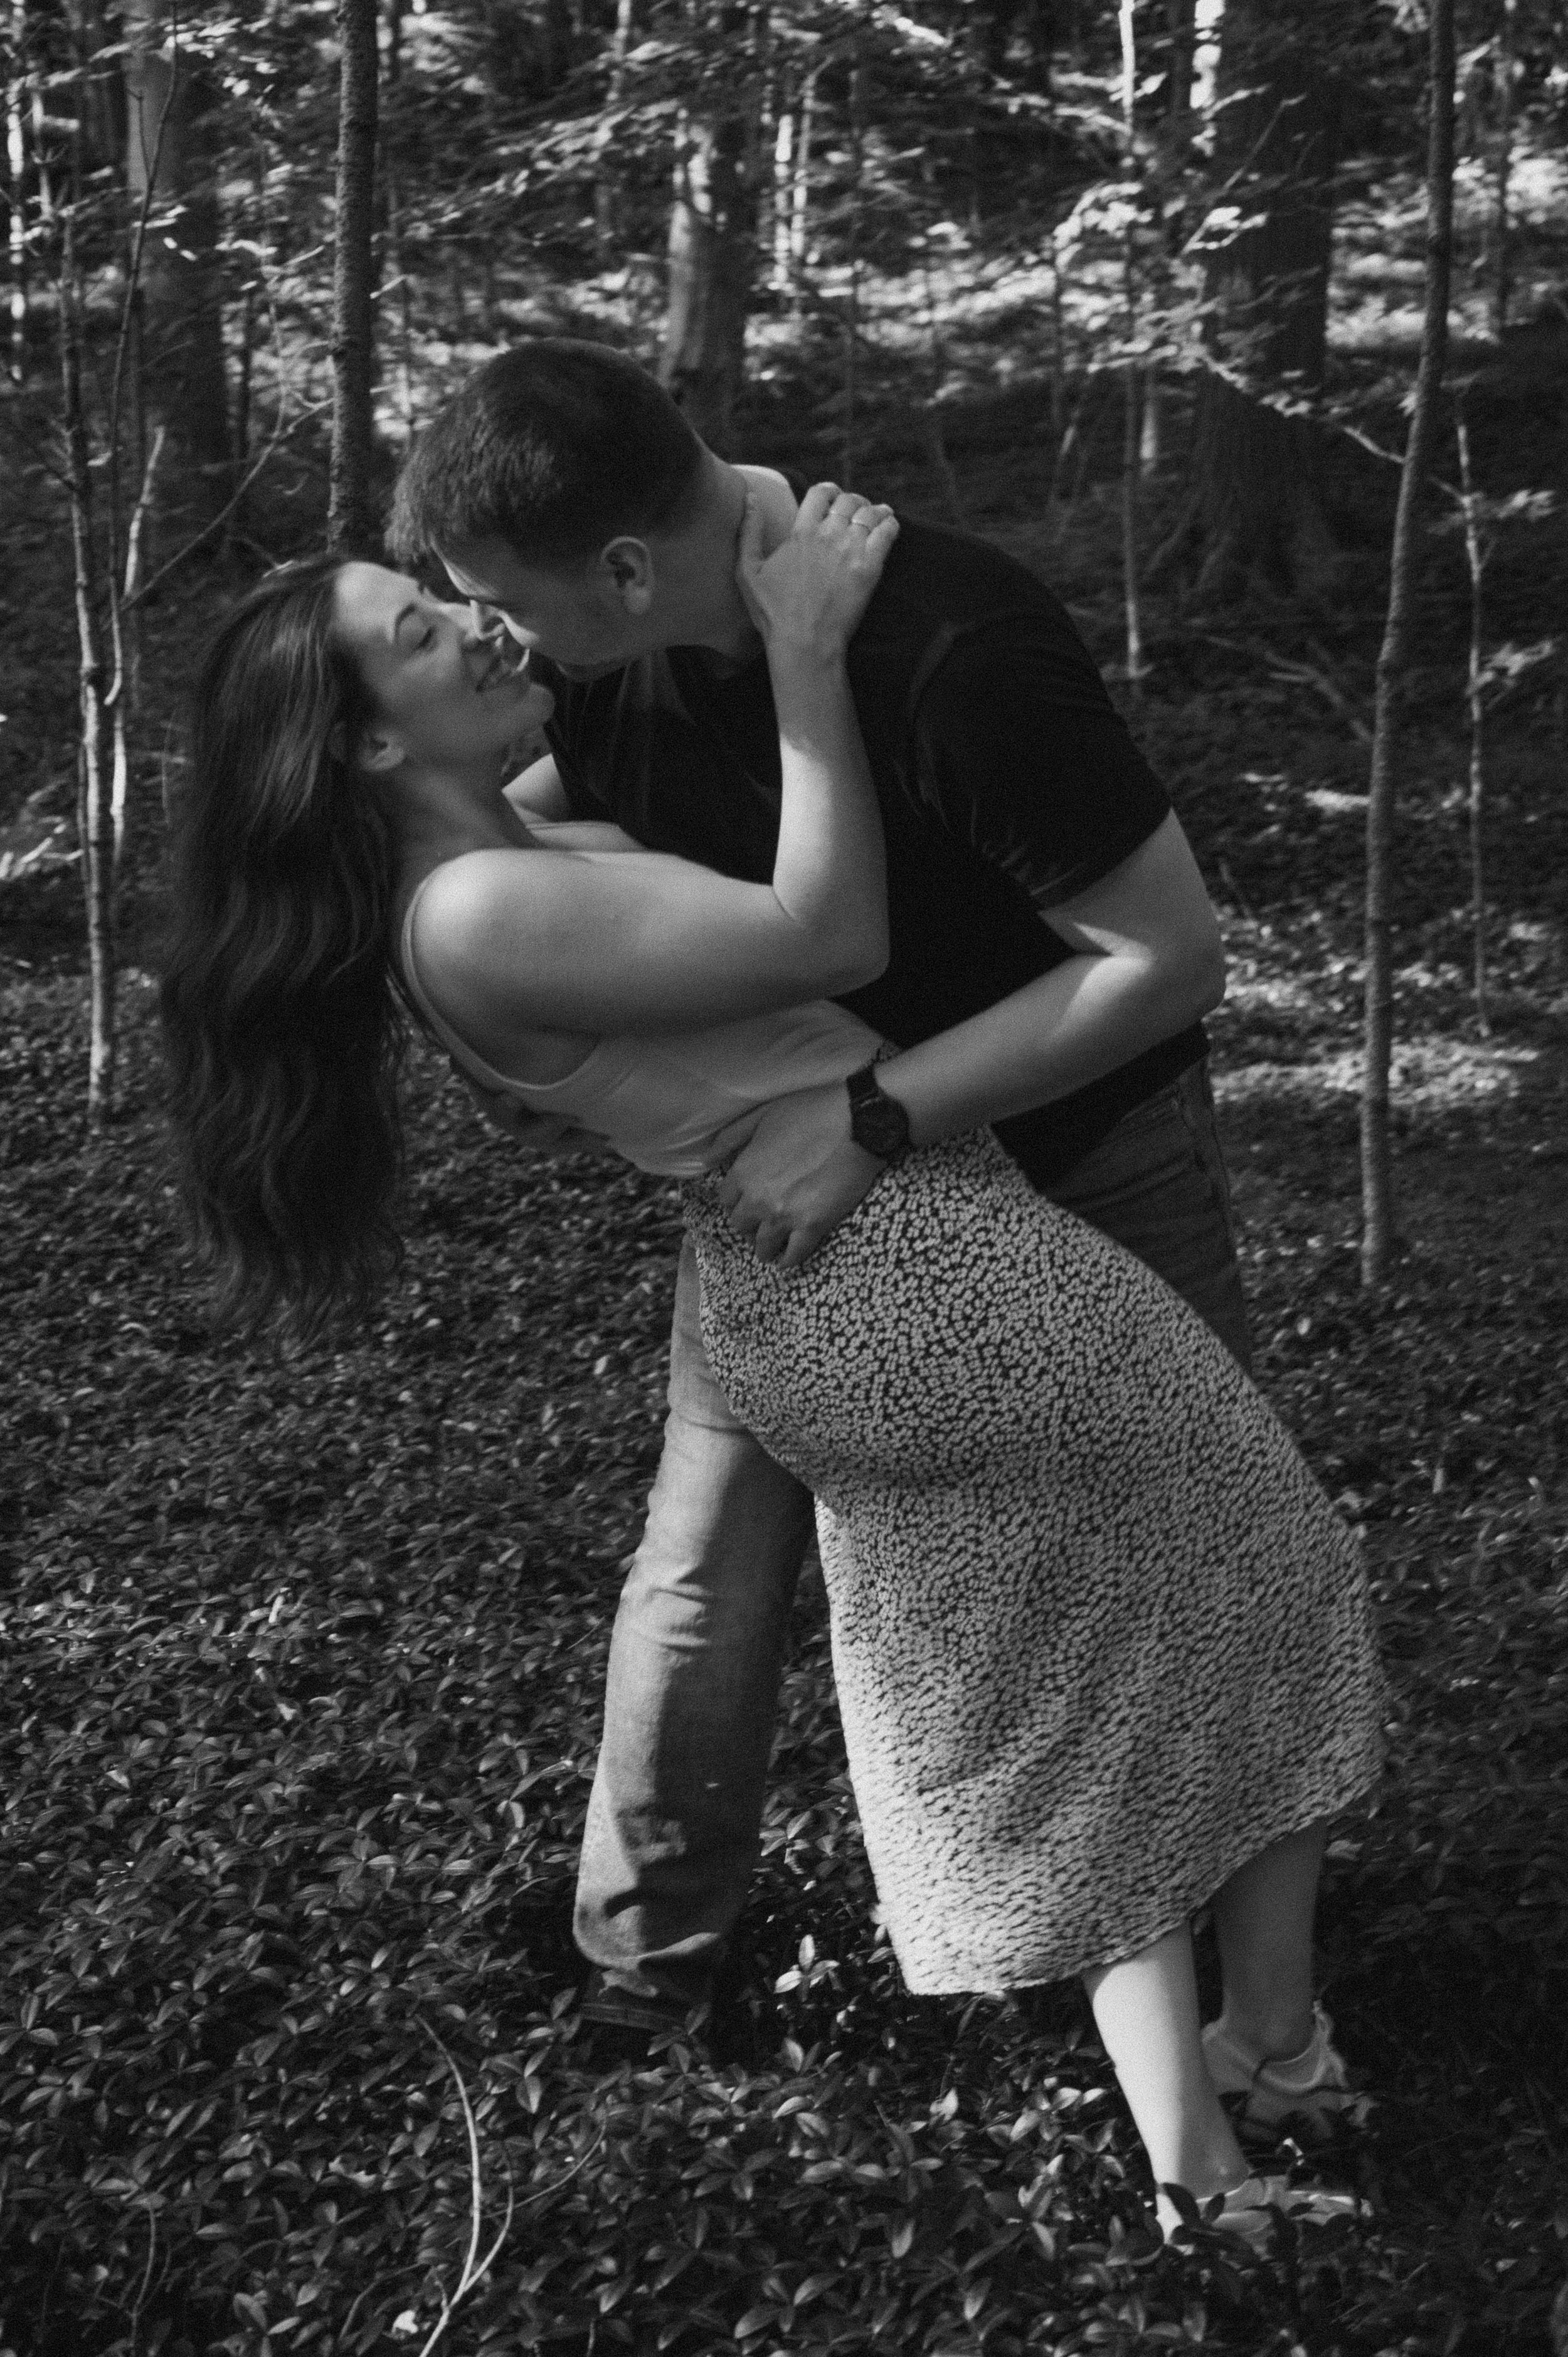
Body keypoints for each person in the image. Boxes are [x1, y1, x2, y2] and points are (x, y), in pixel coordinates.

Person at [161, 490, 1385, 2248]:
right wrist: (808, 640)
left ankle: (1256, 2060)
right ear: (365, 734)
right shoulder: (482, 913)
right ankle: (1211, 2153)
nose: (478, 625)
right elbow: (827, 934)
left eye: (457, 596)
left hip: (845, 1281)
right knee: (1179, 1634)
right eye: (429, 633)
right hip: (916, 1282)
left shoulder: (498, 837)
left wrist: (688, 571)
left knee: (1208, 1604)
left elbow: (610, 767)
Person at [383, 341, 1259, 2057]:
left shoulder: (951, 642)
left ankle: (1226, 1952)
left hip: (1076, 1153)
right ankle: (648, 1958)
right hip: (796, 1203)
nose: (493, 632)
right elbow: (512, 850)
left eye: (498, 601)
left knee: (1193, 1533)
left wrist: (872, 1113)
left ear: (626, 571)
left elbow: (1169, 959)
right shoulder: (621, 669)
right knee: (704, 1566)